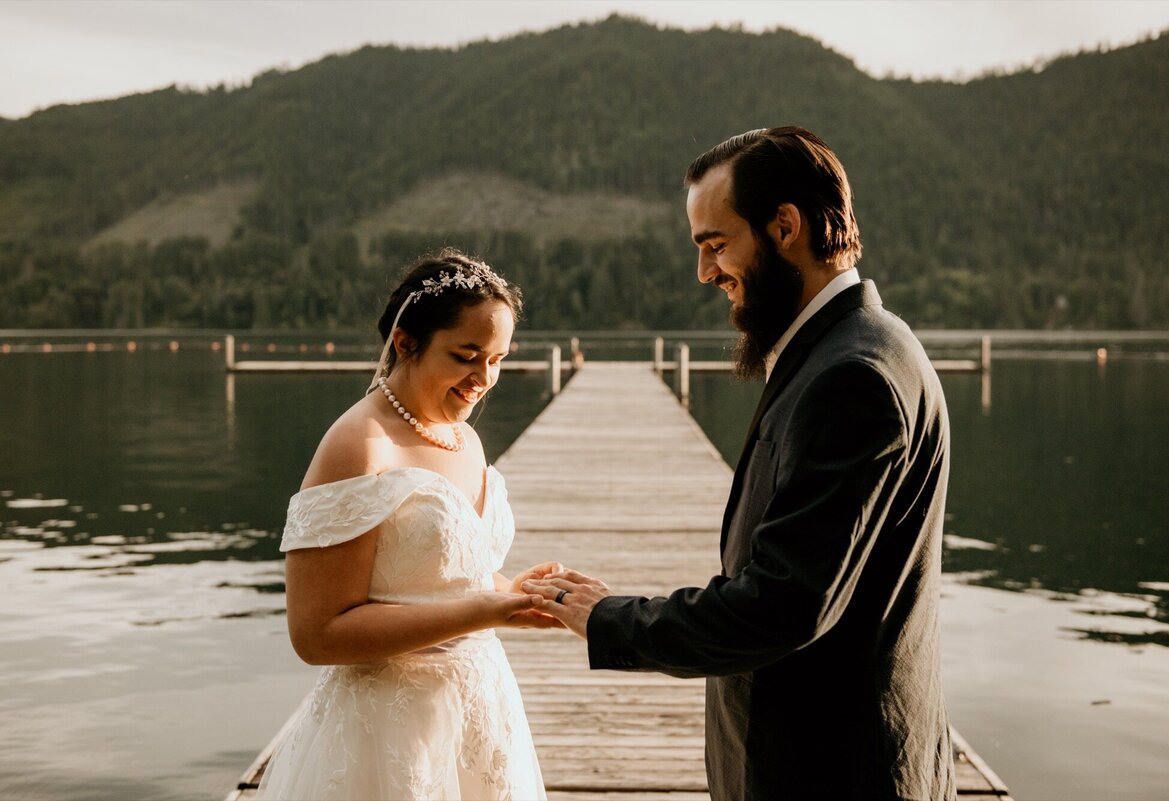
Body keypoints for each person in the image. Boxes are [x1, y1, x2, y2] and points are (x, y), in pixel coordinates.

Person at [523, 128, 956, 800]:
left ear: (785, 226)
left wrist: (611, 617)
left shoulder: (854, 378)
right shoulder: (857, 344)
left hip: (831, 773)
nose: (704, 271)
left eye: (715, 244)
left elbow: (781, 605)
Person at [257, 248, 558, 801]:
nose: (483, 379)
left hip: (479, 709)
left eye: (497, 359)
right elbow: (316, 633)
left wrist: (515, 593)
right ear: (406, 342)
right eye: (467, 355)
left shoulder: (462, 436)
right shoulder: (358, 445)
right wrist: (487, 611)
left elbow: (441, 580)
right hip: (386, 732)